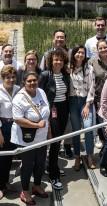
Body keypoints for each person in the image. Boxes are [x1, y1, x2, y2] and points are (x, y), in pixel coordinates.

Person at [11, 71, 50, 205]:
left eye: (35, 80)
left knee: (40, 163)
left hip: (42, 136)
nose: (32, 83)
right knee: (27, 165)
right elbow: (17, 119)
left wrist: (47, 130)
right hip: (26, 138)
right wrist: (36, 125)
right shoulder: (19, 98)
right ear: (24, 83)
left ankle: (37, 185)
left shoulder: (41, 92)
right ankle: (25, 191)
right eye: (29, 81)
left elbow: (46, 114)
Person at [38, 48, 71, 190]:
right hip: (52, 109)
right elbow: (38, 94)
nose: (58, 62)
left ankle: (52, 166)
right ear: (50, 61)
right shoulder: (45, 75)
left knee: (58, 140)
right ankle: (53, 174)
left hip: (63, 109)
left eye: (61, 60)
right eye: (55, 60)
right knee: (55, 141)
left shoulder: (65, 75)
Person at [68, 45, 97, 170]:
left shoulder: (89, 68)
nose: (80, 55)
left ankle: (89, 155)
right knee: (76, 130)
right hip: (73, 102)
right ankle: (77, 156)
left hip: (85, 102)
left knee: (88, 127)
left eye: (82, 53)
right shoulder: (68, 68)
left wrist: (87, 105)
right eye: (78, 52)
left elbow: (92, 87)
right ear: (73, 54)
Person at [0, 65, 19, 200]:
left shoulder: (19, 90)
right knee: (1, 158)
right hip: (3, 127)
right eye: (8, 77)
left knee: (9, 158)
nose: (11, 80)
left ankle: (5, 183)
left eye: (13, 77)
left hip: (15, 126)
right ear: (2, 78)